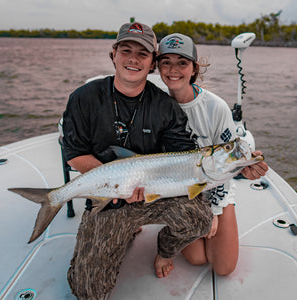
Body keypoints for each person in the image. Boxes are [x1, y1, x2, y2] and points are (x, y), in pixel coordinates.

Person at [62, 23, 213, 299]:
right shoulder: (84, 98)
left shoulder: (165, 106)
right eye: (126, 50)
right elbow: (74, 155)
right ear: (113, 55)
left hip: (153, 194)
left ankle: (165, 251)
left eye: (142, 54)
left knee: (200, 218)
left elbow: (183, 155)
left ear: (152, 63)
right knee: (87, 291)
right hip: (109, 198)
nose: (133, 59)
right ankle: (123, 232)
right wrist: (119, 185)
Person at [157, 33, 269, 275]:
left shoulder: (215, 107)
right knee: (197, 258)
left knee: (224, 268)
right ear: (158, 67)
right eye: (166, 62)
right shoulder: (156, 106)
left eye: (182, 63)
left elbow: (228, 164)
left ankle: (213, 218)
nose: (173, 69)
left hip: (216, 189)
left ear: (194, 68)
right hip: (181, 193)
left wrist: (214, 211)